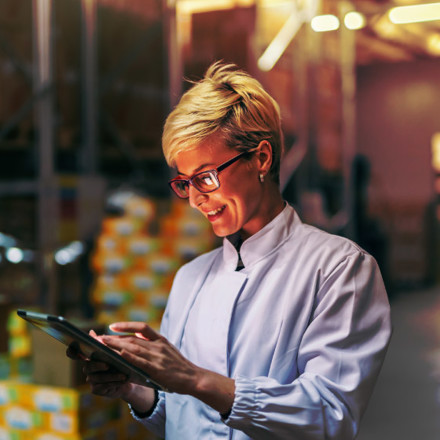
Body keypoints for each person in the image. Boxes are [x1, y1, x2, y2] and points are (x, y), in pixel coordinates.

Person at [80, 62, 392, 439]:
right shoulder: (190, 278)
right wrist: (136, 390)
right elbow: (183, 418)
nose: (196, 200)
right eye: (184, 183)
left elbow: (330, 415)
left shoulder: (339, 269)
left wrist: (194, 378)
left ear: (261, 159)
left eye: (206, 178)